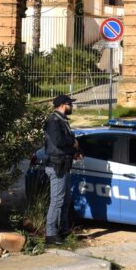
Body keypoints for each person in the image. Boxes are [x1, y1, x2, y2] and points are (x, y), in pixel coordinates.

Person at [44, 94, 81, 245]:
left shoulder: (62, 120)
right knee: (57, 200)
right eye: (70, 104)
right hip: (56, 166)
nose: (72, 107)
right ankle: (50, 234)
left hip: (64, 165)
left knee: (66, 199)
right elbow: (58, 141)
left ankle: (64, 230)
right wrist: (72, 143)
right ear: (63, 105)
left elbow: (65, 143)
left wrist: (75, 152)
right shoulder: (53, 121)